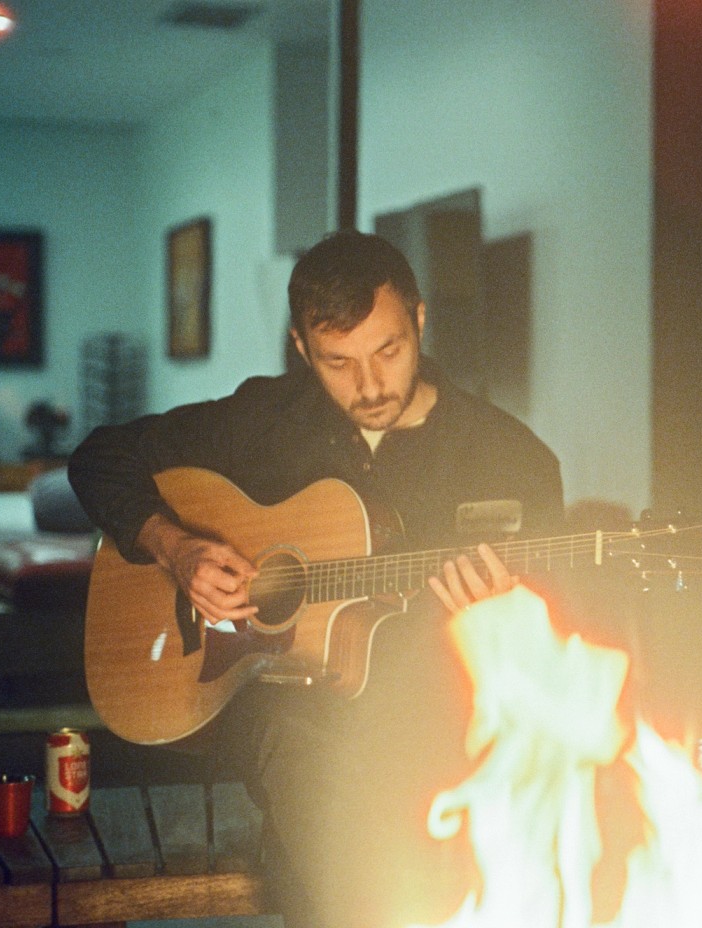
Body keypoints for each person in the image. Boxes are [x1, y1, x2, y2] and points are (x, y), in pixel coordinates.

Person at [69, 230, 565, 928]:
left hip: (444, 723)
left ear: (419, 319)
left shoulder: (511, 458)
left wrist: (501, 616)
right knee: (319, 768)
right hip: (291, 716)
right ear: (302, 350)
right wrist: (176, 549)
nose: (369, 386)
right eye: (338, 361)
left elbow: (557, 644)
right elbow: (99, 458)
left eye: (388, 351)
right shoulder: (262, 420)